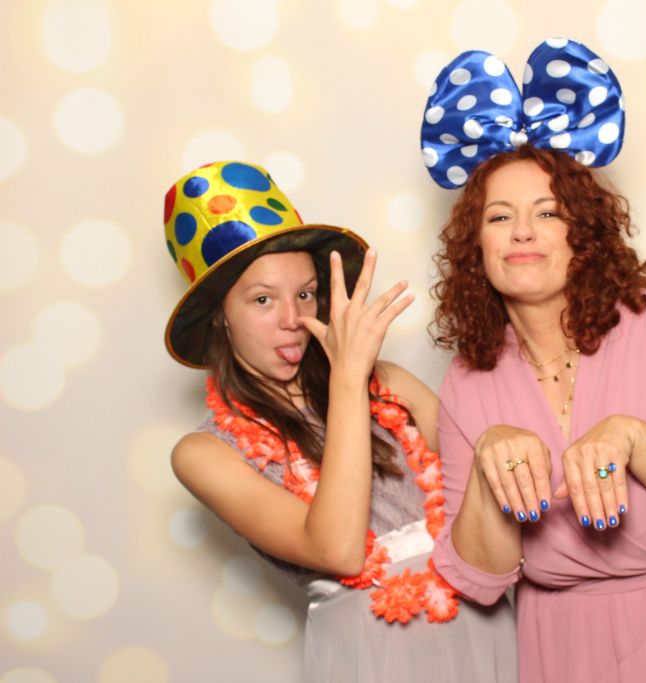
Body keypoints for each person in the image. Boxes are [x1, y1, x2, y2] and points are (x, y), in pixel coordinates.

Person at [420, 40, 646, 681]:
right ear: (475, 247)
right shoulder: (468, 380)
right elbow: (481, 577)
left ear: (583, 234)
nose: (523, 231)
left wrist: (635, 439)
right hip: (569, 648)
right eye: (500, 217)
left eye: (548, 212)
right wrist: (487, 463)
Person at [162, 161, 516, 682]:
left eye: (305, 294)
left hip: (483, 629)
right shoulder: (204, 454)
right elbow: (337, 550)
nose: (293, 320)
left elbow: (499, 484)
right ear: (220, 316)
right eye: (263, 299)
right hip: (373, 657)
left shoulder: (389, 383)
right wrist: (349, 379)